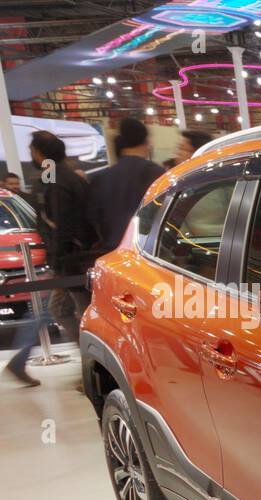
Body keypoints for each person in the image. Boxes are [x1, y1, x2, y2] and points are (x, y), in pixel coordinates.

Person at [29, 130, 93, 347]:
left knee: (70, 311)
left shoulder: (58, 181)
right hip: (78, 257)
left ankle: (92, 356)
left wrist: (57, 262)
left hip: (72, 260)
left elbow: (62, 224)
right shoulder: (64, 177)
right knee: (68, 309)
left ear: (39, 153)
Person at [88, 118, 165, 252]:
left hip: (113, 253)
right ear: (146, 141)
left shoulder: (100, 178)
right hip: (149, 253)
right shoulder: (157, 174)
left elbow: (92, 219)